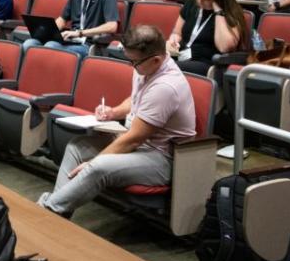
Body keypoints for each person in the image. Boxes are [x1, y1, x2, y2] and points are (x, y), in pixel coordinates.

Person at [37, 25, 194, 217]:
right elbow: (136, 100)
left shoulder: (166, 87)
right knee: (77, 147)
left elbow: (134, 138)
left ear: (156, 60)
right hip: (139, 146)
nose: (131, 66)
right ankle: (58, 212)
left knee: (99, 166)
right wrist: (113, 112)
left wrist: (94, 162)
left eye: (134, 62)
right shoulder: (145, 67)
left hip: (162, 159)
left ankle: (47, 211)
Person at [166, 0, 249, 76]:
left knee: (167, 67)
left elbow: (224, 47)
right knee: (151, 59)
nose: (200, 1)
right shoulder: (191, 3)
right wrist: (173, 40)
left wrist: (218, 11)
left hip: (206, 63)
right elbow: (177, 33)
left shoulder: (230, 13)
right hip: (181, 56)